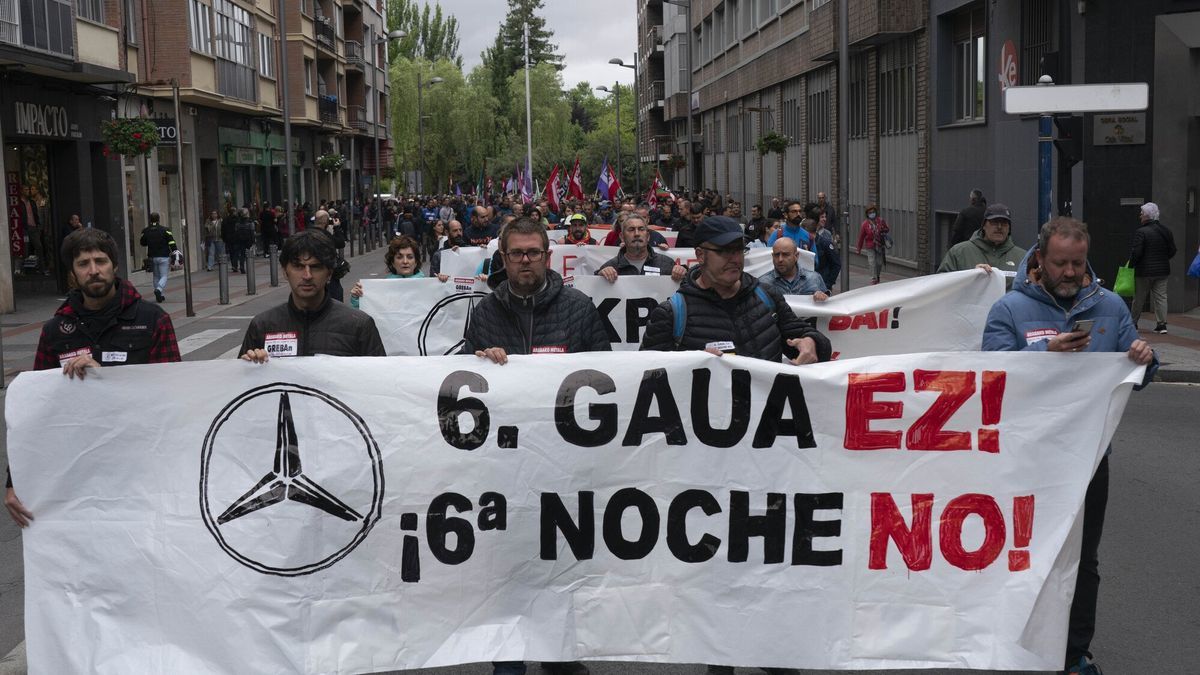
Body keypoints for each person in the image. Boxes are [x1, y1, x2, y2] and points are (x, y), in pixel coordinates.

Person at [982, 216, 1156, 675]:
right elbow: (992, 378)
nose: (1070, 272)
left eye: (1078, 263)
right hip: (1026, 463)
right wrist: (1045, 355)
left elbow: (1133, 379)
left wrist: (1145, 360)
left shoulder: (1111, 308)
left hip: (1088, 460)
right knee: (1023, 557)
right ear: (1039, 259)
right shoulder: (1010, 310)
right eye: (1060, 263)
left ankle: (1075, 653)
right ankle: (1016, 646)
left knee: (1083, 561)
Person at [463, 217, 608, 675]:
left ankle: (558, 654)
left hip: (563, 468)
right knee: (505, 568)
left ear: (547, 256)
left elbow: (606, 382)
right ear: (502, 259)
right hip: (504, 468)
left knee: (560, 569)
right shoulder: (485, 313)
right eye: (516, 254)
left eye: (533, 253)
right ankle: (508, 657)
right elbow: (468, 388)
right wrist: (482, 361)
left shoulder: (580, 308)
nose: (525, 261)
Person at [5, 228, 181, 527]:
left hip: (142, 467)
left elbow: (175, 397)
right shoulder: (55, 331)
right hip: (77, 471)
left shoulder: (152, 321)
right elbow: (35, 410)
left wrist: (108, 382)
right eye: (83, 264)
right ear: (73, 274)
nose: (94, 270)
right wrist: (14, 479)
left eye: (100, 261)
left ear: (114, 265)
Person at [641, 216, 832, 365]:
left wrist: (812, 343)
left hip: (767, 413)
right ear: (700, 255)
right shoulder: (671, 314)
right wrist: (691, 365)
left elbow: (806, 335)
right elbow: (646, 374)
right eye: (724, 251)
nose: (734, 258)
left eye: (738, 249)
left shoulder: (766, 296)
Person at [240, 229, 385, 361]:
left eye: (315, 267)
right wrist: (250, 364)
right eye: (298, 267)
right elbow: (241, 385)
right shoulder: (262, 326)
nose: (307, 275)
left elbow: (379, 383)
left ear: (329, 273)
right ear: (285, 272)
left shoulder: (359, 326)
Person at [937, 202, 1027, 289]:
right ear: (983, 225)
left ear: (1009, 228)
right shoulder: (959, 252)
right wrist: (970, 275)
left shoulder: (1023, 257)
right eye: (994, 222)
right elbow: (941, 285)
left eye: (1004, 223)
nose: (999, 227)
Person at [1129, 202, 1176, 334]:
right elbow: (1173, 250)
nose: (1140, 216)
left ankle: (1133, 322)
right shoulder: (1166, 231)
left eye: (1142, 213)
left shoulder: (1141, 232)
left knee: (1139, 298)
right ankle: (1162, 325)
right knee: (1161, 297)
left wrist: (1131, 265)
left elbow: (1137, 252)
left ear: (1147, 216)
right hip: (1162, 271)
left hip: (1144, 271)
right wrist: (1162, 259)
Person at [597, 214, 686, 283]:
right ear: (622, 237)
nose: (637, 234)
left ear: (647, 236)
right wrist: (599, 277)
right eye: (631, 229)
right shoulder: (610, 267)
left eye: (641, 229)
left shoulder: (667, 264)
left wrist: (683, 272)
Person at [350, 235, 427, 309]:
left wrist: (439, 289)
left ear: (416, 261)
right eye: (399, 257)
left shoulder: (427, 287)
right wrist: (357, 298)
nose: (405, 261)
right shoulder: (381, 289)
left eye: (410, 257)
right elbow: (364, 315)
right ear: (392, 262)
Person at [760, 236, 828, 298]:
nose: (780, 259)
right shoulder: (763, 283)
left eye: (785, 255)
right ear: (772, 256)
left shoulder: (814, 279)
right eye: (777, 255)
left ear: (796, 256)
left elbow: (827, 306)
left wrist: (822, 297)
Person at [139, 212, 177, 303]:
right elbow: (171, 242)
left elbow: (142, 243)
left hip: (152, 257)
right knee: (164, 275)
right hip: (164, 256)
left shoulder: (145, 231)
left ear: (150, 219)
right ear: (159, 219)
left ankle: (160, 296)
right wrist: (175, 251)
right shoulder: (165, 230)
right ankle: (159, 290)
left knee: (156, 276)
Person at [855, 204, 889, 285]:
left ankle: (877, 275)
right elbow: (861, 237)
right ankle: (873, 278)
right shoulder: (865, 224)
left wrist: (882, 230)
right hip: (870, 245)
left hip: (879, 245)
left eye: (873, 212)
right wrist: (858, 248)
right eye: (870, 212)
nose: (872, 214)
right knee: (872, 262)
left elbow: (887, 229)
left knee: (879, 263)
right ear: (867, 214)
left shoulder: (880, 221)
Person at [812, 209, 841, 291]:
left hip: (823, 280)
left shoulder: (827, 234)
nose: (824, 219)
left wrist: (828, 283)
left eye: (825, 217)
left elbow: (835, 262)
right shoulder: (807, 235)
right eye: (822, 217)